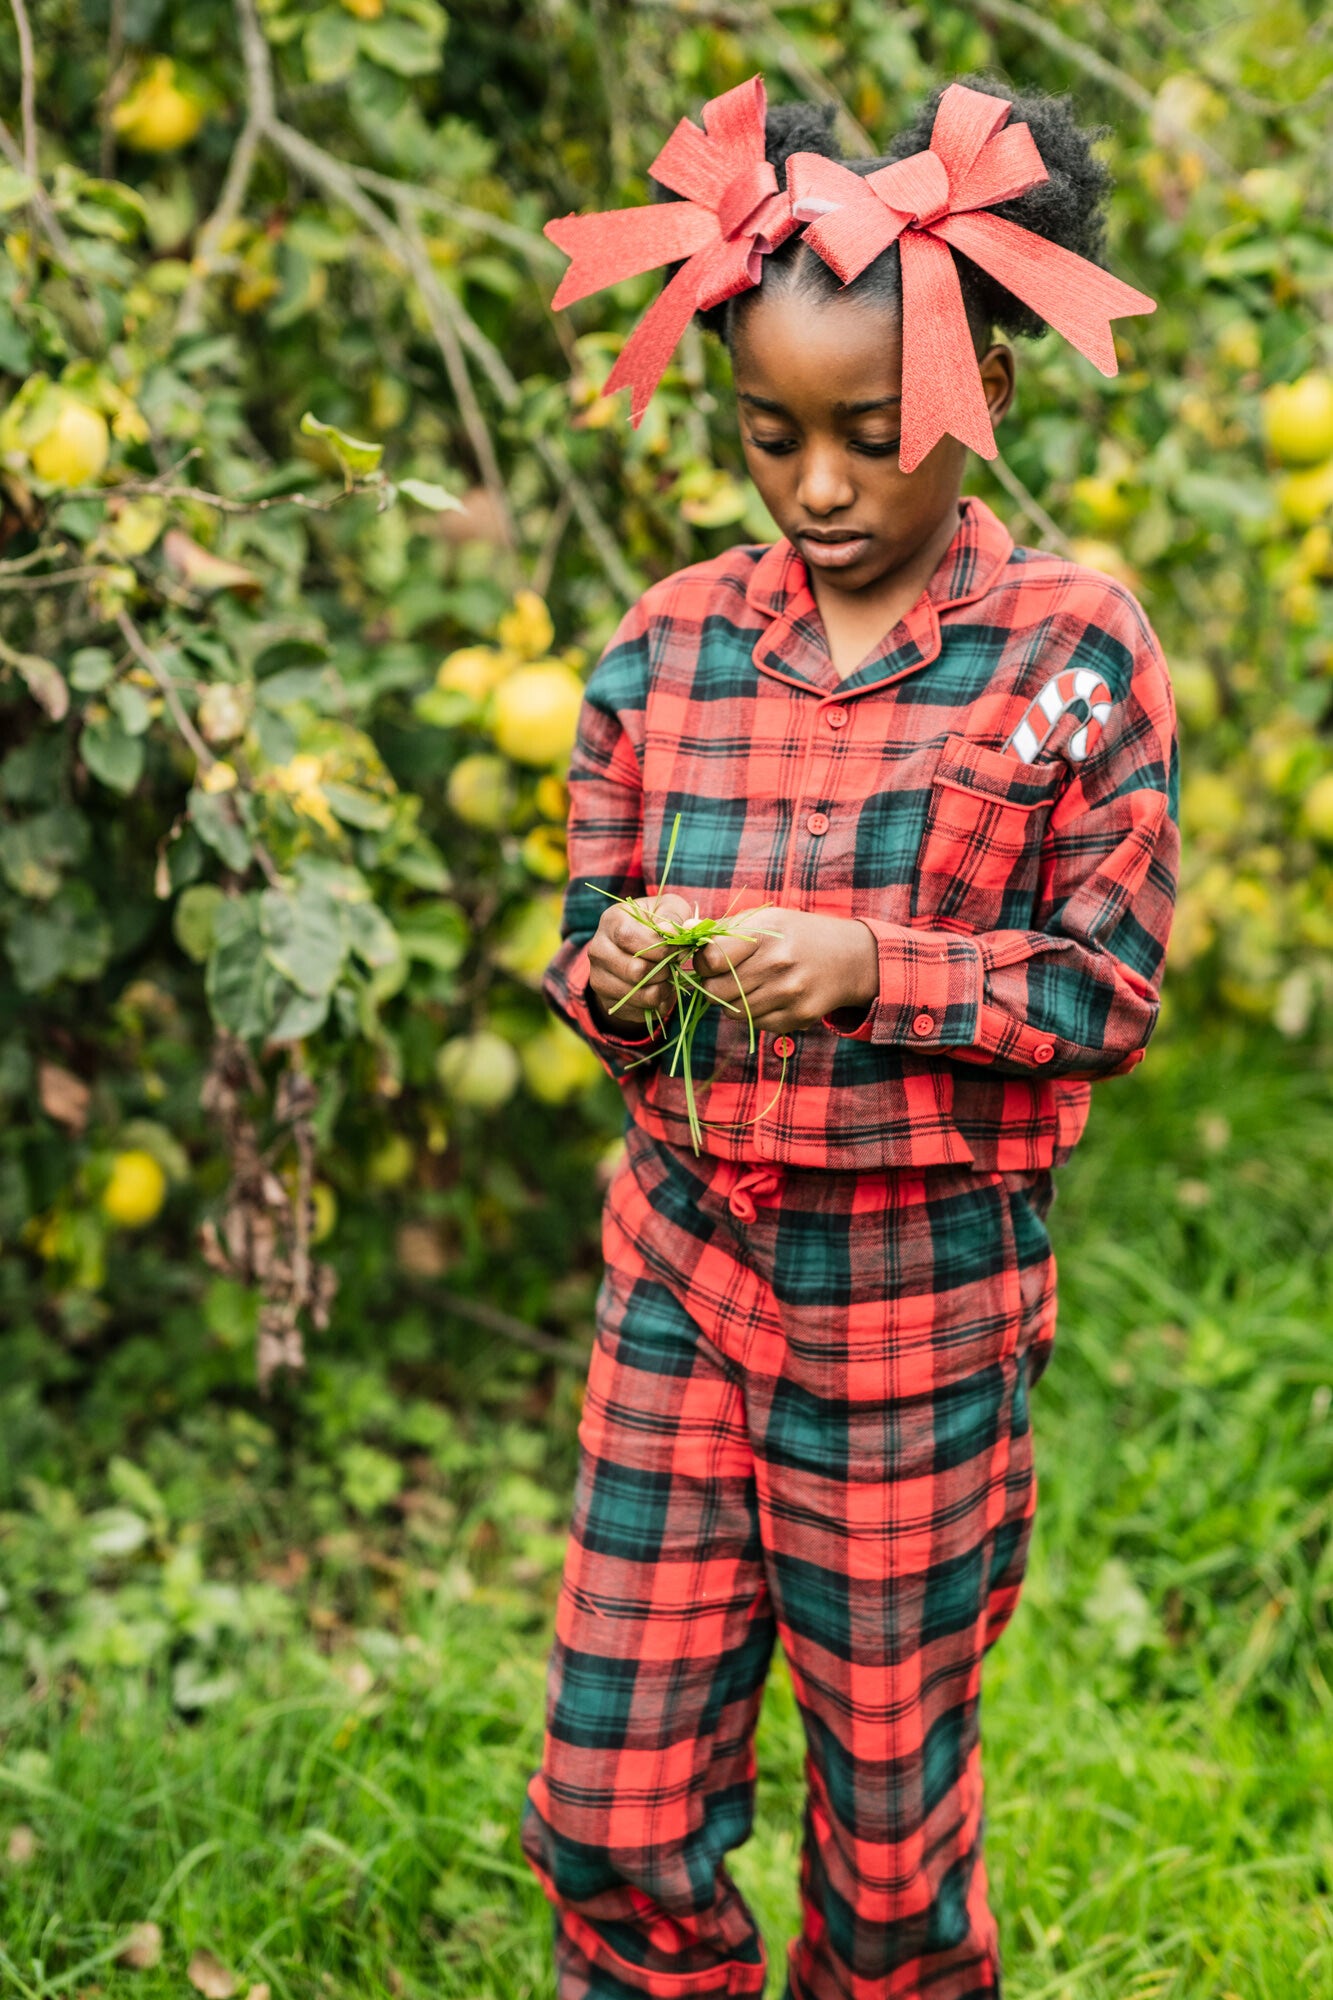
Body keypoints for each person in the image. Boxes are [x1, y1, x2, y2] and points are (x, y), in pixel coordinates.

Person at [521, 73, 1179, 2000]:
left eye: (872, 438)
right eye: (770, 435)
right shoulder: (664, 648)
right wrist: (618, 970)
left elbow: (1103, 990)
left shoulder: (1068, 654)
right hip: (680, 1274)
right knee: (609, 1790)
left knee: (889, 1832)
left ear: (982, 393)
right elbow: (585, 929)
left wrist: (876, 968)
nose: (818, 487)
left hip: (915, 1310)